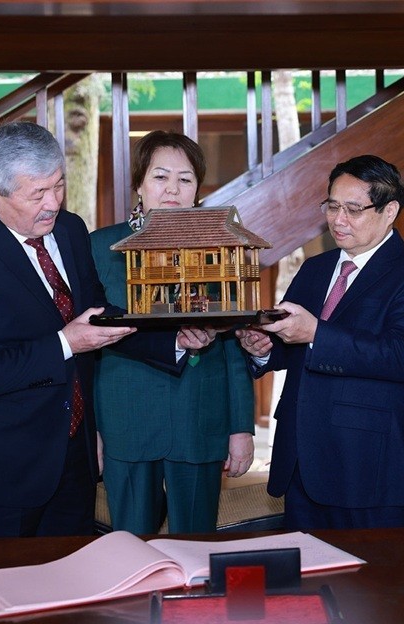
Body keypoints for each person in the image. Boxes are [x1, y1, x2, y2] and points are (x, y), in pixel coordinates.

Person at [0, 121, 215, 573]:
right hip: (2, 471)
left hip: (72, 459)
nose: (53, 204)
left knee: (70, 593)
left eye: (59, 186)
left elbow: (97, 314)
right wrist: (64, 342)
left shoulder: (69, 230)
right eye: (37, 193)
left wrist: (171, 340)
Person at [236, 154, 404, 530]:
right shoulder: (316, 269)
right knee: (312, 582)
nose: (338, 219)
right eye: (332, 206)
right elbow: (298, 345)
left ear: (390, 211)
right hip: (302, 458)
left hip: (371, 467)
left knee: (375, 586)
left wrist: (315, 331)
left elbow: (401, 357)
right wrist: (264, 350)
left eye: (353, 209)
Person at [91, 130, 254, 535]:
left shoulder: (221, 246)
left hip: (200, 415)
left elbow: (234, 344)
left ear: (197, 189)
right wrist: (91, 430)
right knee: (130, 547)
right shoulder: (100, 248)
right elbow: (86, 345)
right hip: (124, 415)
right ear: (139, 184)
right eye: (160, 177)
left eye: (185, 180)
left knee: (196, 545)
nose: (172, 190)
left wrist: (241, 427)